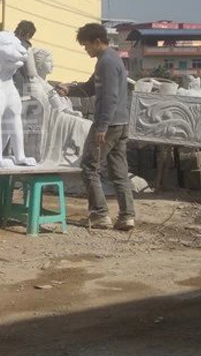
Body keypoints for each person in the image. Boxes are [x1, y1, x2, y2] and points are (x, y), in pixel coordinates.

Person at [56, 23, 135, 231]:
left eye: (86, 45)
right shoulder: (108, 60)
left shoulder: (107, 62)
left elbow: (109, 97)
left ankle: (100, 214)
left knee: (90, 167)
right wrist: (69, 89)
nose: (85, 49)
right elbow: (91, 87)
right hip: (120, 123)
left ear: (97, 42)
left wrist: (101, 127)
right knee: (119, 172)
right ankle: (127, 216)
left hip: (108, 125)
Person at [12, 20, 37, 96]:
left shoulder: (5, 40)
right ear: (28, 35)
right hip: (18, 86)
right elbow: (31, 72)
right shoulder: (26, 48)